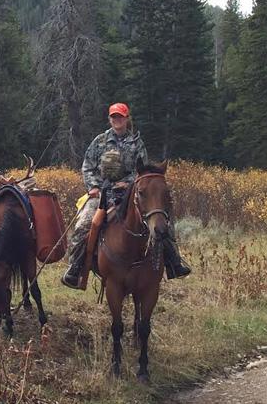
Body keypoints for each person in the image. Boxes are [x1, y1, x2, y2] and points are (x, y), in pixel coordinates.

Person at [61, 102, 191, 288]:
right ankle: (75, 268)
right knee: (84, 223)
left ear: (127, 118)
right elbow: (87, 166)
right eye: (114, 117)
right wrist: (93, 187)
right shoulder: (100, 141)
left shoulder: (137, 143)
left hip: (132, 193)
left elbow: (144, 172)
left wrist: (129, 183)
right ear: (109, 119)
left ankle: (174, 262)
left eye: (120, 117)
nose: (117, 120)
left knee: (163, 219)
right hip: (103, 194)